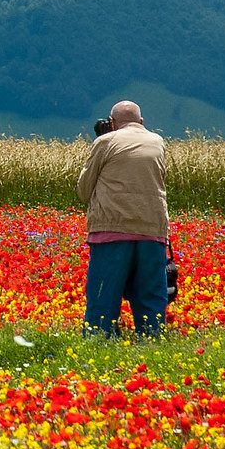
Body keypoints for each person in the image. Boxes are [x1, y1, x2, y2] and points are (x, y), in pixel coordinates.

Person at [75, 99, 171, 338]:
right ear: (142, 121)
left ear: (112, 122)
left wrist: (102, 139)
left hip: (112, 230)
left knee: (104, 293)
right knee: (150, 293)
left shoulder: (105, 142)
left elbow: (84, 189)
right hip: (152, 231)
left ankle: (100, 339)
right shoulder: (158, 142)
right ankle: (152, 339)